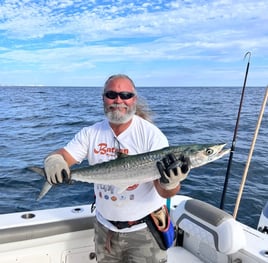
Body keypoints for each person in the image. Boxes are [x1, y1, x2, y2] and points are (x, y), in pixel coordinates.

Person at [44, 74, 189, 263]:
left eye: (125, 95)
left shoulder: (151, 135)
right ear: (103, 98)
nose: (118, 100)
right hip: (105, 231)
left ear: (134, 99)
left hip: (144, 232)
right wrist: (54, 160)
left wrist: (171, 183)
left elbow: (164, 192)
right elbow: (64, 156)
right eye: (111, 94)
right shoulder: (90, 133)